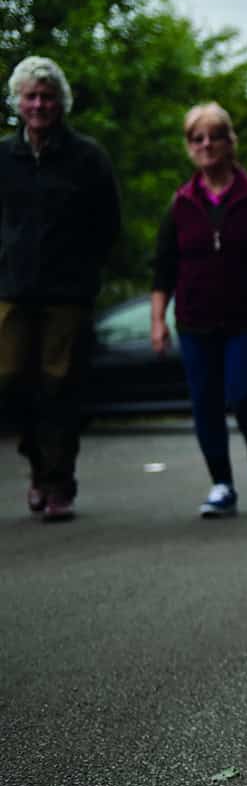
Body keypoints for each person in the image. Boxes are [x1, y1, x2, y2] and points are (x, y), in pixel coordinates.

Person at [150, 102, 247, 518]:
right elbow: (163, 268)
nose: (206, 144)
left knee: (242, 392)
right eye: (197, 138)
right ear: (189, 147)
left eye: (214, 136)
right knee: (205, 402)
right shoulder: (181, 204)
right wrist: (158, 321)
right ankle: (222, 485)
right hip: (195, 320)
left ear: (229, 142)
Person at [0, 56, 122, 521]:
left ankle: (58, 484)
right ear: (18, 102)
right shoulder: (4, 158)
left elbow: (108, 224)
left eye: (47, 97)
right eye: (31, 96)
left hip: (67, 295)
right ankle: (37, 465)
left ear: (61, 103)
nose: (39, 104)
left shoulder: (87, 158)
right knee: (10, 380)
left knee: (59, 388)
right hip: (12, 289)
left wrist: (86, 272)